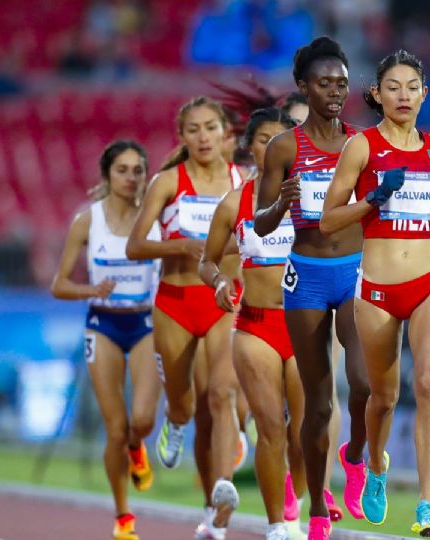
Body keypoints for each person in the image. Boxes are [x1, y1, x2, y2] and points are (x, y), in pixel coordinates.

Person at [320, 49, 430, 539]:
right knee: (382, 398)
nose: (403, 96)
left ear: (424, 95)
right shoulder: (360, 148)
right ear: (377, 95)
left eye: (412, 87)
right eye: (393, 87)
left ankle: (428, 505)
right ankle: (377, 469)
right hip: (378, 289)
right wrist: (371, 201)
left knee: (428, 383)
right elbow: (326, 219)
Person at [255, 36, 370, 540]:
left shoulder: (361, 144)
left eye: (342, 84)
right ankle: (318, 512)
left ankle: (356, 455)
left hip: (352, 271)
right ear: (303, 86)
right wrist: (282, 204)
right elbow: (260, 225)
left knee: (363, 384)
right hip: (305, 275)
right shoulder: (285, 147)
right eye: (324, 83)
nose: (335, 92)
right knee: (318, 404)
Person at [126, 97, 244, 539]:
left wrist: (221, 252)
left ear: (223, 133)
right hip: (174, 303)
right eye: (193, 129)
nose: (202, 137)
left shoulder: (240, 181)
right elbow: (135, 246)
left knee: (221, 395)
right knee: (184, 402)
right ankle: (174, 422)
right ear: (183, 137)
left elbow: (252, 238)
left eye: (210, 127)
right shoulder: (167, 182)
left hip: (221, 301)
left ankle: (220, 500)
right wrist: (182, 246)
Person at [50, 140, 162, 540]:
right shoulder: (87, 220)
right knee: (114, 427)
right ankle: (123, 515)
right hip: (104, 325)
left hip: (146, 323)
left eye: (137, 170)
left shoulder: (156, 219)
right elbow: (58, 284)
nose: (130, 178)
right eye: (122, 170)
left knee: (143, 420)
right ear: (107, 175)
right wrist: (91, 291)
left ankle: (138, 445)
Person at [200, 107, 302, 540]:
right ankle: (277, 524)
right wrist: (221, 280)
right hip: (256, 325)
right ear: (251, 147)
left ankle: (304, 509)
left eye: (280, 139)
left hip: (304, 325)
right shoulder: (234, 201)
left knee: (307, 427)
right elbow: (207, 261)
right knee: (271, 426)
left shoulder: (312, 197)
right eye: (263, 139)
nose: (271, 147)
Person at [279, 86, 347, 528]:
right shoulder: (271, 173)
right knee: (289, 409)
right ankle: (290, 474)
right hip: (278, 297)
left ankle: (319, 484)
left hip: (329, 281)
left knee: (325, 392)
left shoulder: (341, 166)